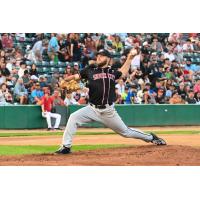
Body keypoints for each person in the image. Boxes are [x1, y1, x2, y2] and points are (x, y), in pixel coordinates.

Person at [55, 48, 166, 154]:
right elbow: (75, 77)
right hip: (92, 109)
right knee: (73, 117)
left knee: (126, 132)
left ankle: (151, 137)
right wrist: (64, 80)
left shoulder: (112, 71)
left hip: (108, 111)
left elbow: (123, 72)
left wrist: (129, 58)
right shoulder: (90, 70)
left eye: (101, 56)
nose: (98, 57)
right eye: (97, 56)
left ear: (108, 59)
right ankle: (66, 146)